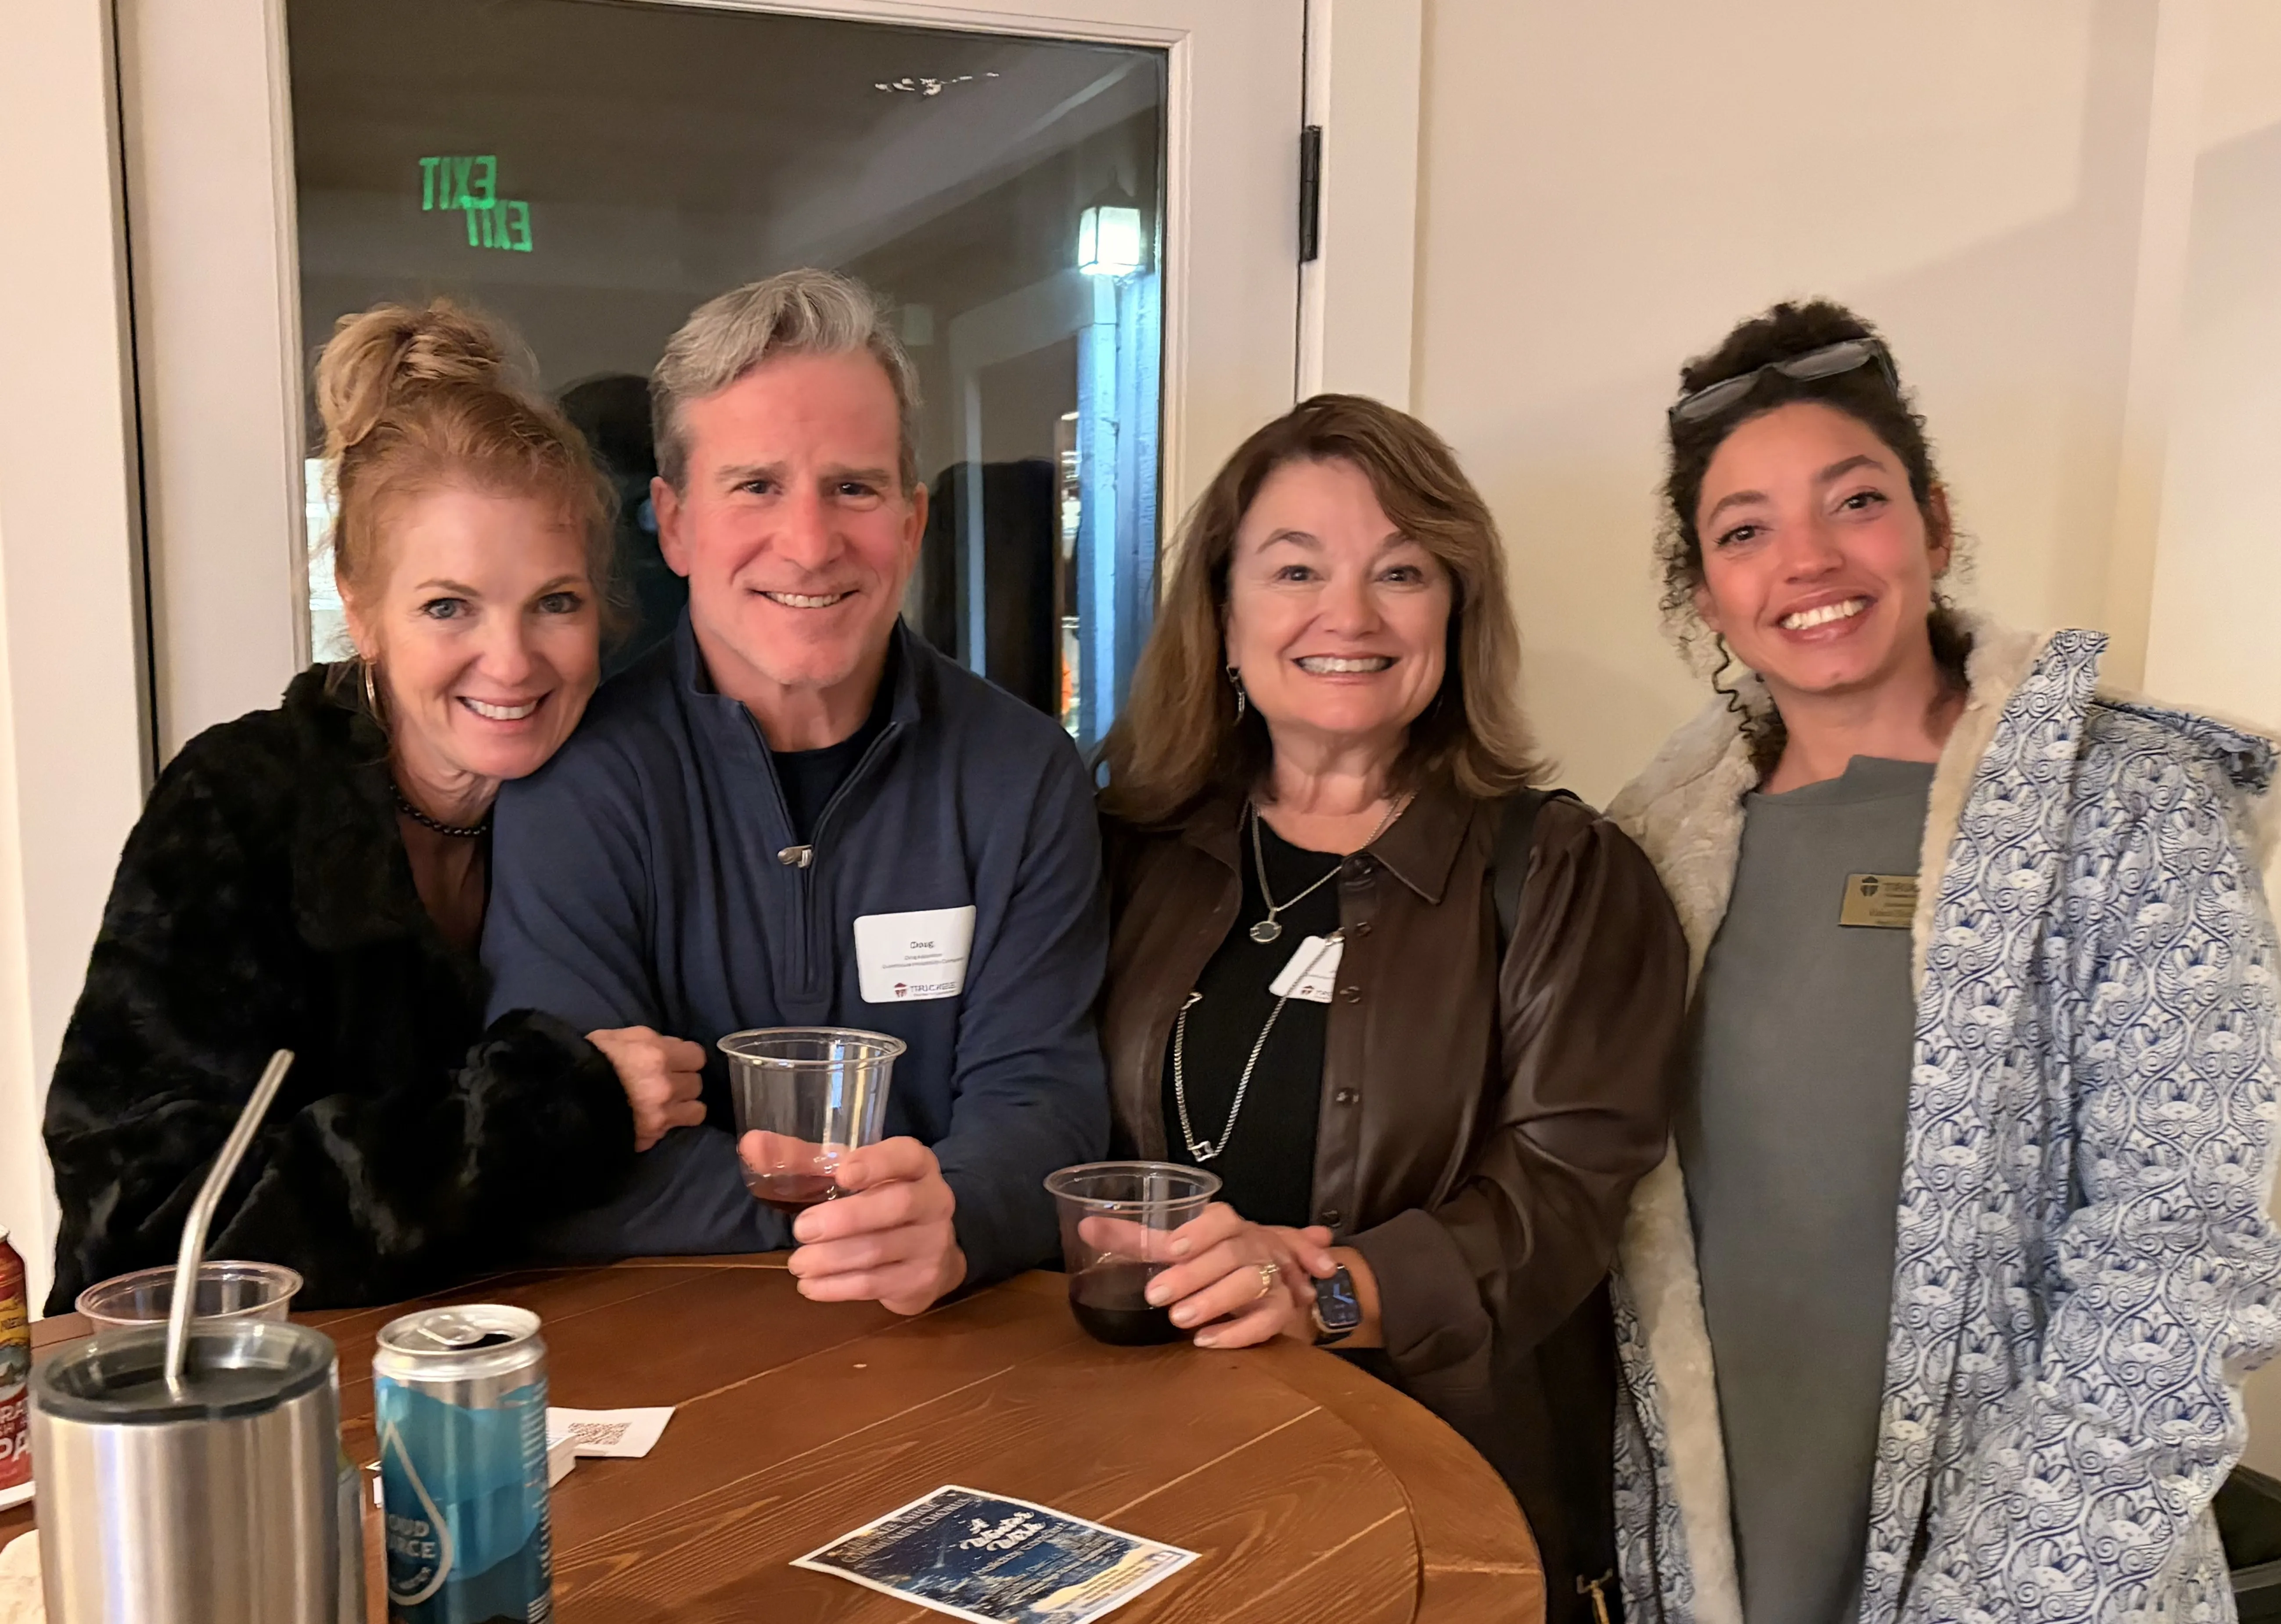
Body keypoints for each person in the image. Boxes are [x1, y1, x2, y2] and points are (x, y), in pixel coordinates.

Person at [1606, 301, 2281, 1624]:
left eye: (1853, 501)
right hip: (1726, 1559)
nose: (1806, 559)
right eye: (1744, 531)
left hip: (2032, 1586)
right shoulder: (1646, 856)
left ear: (1933, 521)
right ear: (1704, 592)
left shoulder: (2130, 811)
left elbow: (2180, 1270)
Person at [1094, 394, 1688, 1621]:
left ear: (1455, 614)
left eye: (1401, 571)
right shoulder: (1127, 848)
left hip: (1441, 1495)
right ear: (1222, 614)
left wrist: (1326, 1292)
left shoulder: (1565, 874)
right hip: (1149, 1469)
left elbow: (1561, 1197)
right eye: (1295, 569)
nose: (1350, 615)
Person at [484, 268, 1108, 1314]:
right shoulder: (577, 781)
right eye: (757, 487)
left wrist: (954, 1215)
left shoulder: (1023, 773)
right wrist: (864, 1220)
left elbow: (1045, 1101)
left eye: (853, 488)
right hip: (660, 1348)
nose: (811, 544)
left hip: (952, 1334)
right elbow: (566, 1152)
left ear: (912, 522)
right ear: (675, 525)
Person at [43, 300, 637, 1311]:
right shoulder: (242, 802)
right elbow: (138, 1223)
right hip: (228, 1386)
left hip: (532, 1356)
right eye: (448, 605)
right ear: (361, 610)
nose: (512, 660)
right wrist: (540, 1112)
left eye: (555, 602)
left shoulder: (614, 792)